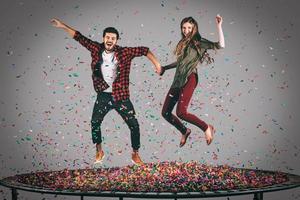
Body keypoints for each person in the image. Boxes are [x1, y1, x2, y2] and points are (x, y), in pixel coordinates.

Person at [51, 18, 161, 165]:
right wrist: (62, 26)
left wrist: (157, 64)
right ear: (103, 38)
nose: (110, 40)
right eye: (108, 37)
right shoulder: (96, 48)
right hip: (103, 95)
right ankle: (99, 150)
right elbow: (79, 37)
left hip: (121, 97)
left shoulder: (125, 52)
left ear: (116, 40)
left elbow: (145, 51)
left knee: (134, 125)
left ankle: (135, 154)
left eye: (113, 38)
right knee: (95, 122)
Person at [160, 15, 225, 147]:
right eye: (184, 28)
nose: (186, 30)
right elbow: (180, 62)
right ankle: (184, 131)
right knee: (165, 113)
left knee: (181, 113)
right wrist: (164, 68)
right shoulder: (183, 43)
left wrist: (219, 26)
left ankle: (207, 127)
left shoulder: (198, 42)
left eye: (189, 27)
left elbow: (220, 46)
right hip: (177, 80)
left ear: (194, 28)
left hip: (190, 78)